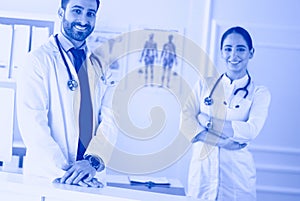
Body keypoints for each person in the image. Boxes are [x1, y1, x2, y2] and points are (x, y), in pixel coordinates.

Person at [16, 0, 116, 187]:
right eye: (77, 11)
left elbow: (111, 119)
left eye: (90, 13)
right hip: (51, 177)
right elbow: (33, 125)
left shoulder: (101, 66)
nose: (83, 20)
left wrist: (92, 163)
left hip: (91, 177)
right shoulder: (38, 60)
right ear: (61, 13)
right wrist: (69, 174)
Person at [182, 26, 271, 200]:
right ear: (222, 52)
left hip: (236, 178)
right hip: (203, 174)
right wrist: (223, 143)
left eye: (241, 49)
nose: (233, 55)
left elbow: (250, 130)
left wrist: (205, 119)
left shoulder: (259, 93)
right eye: (228, 49)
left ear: (251, 53)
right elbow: (185, 121)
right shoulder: (204, 85)